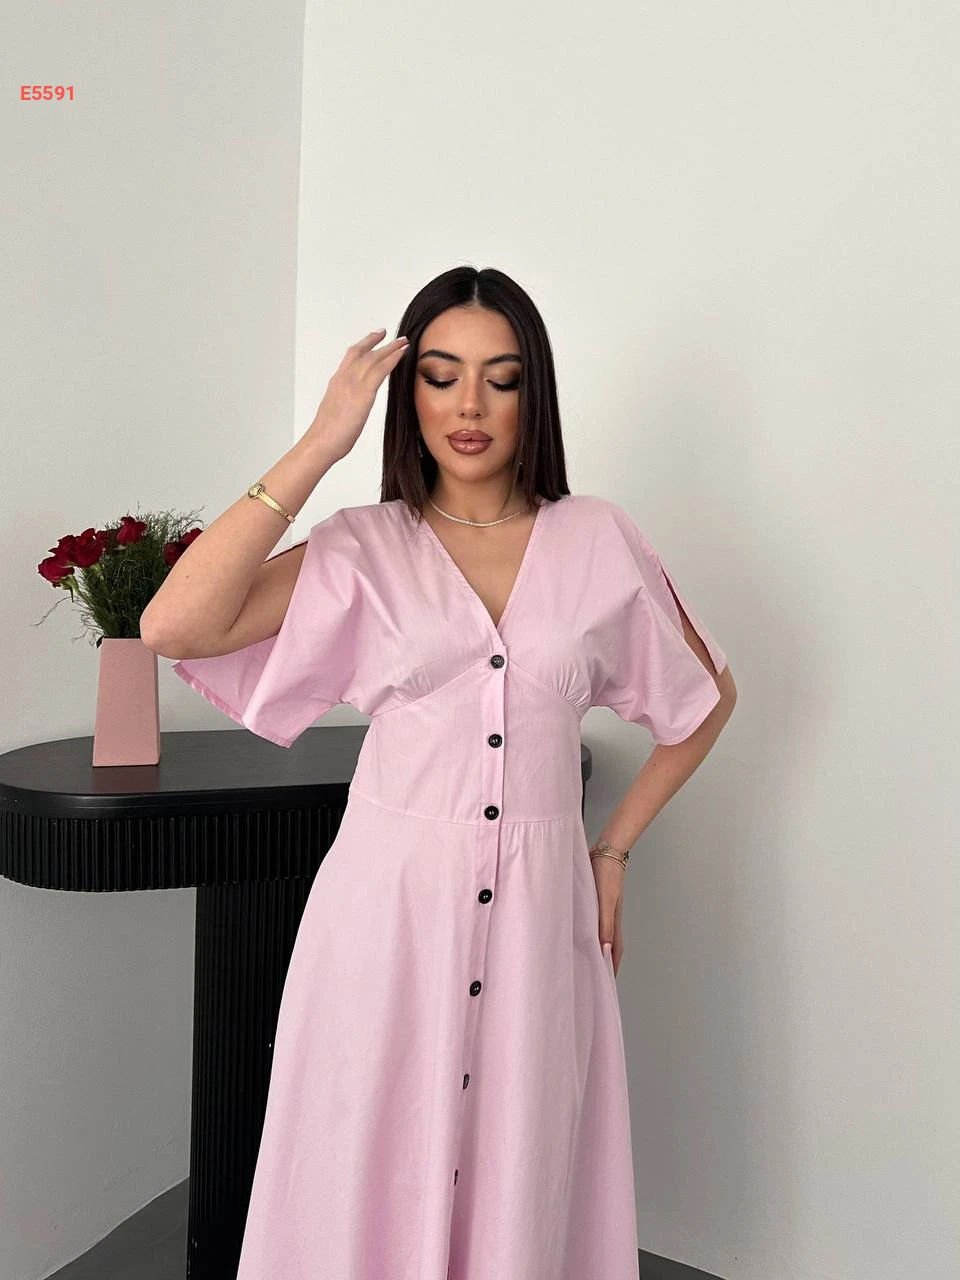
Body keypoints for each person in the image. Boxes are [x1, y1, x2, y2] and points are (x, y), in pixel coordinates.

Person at [141, 265, 737, 1280]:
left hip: (542, 920)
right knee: (362, 1156)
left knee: (522, 1163)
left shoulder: (599, 537)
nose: (470, 405)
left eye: (501, 379)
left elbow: (706, 695)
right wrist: (320, 443)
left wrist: (614, 850)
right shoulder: (361, 547)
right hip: (385, 917)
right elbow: (173, 626)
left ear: (533, 395)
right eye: (442, 375)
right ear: (406, 395)